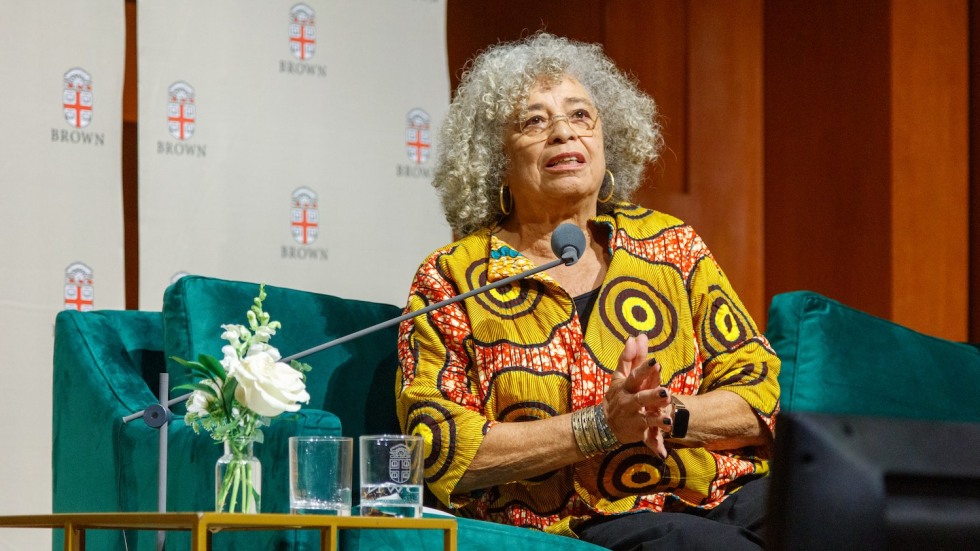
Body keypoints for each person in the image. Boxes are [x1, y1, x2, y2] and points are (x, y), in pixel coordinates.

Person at [395, 32, 780, 551]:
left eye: (580, 116)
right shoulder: (452, 279)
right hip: (581, 519)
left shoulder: (671, 245)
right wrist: (600, 425)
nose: (562, 133)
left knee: (843, 518)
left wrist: (664, 413)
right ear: (494, 160)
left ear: (607, 141)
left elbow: (760, 394)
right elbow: (438, 447)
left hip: (721, 489)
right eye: (533, 121)